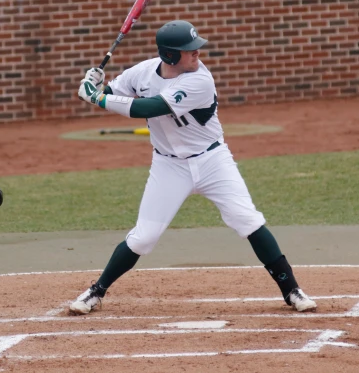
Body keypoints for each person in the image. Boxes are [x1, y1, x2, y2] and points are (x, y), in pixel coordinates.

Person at [70, 20, 317, 315]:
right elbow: (114, 92)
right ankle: (96, 291)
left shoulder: (200, 80)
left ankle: (292, 290)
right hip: (168, 166)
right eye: (189, 50)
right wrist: (95, 85)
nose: (197, 53)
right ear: (171, 56)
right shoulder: (142, 72)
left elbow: (147, 108)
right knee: (144, 237)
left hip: (213, 161)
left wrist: (97, 98)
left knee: (247, 220)